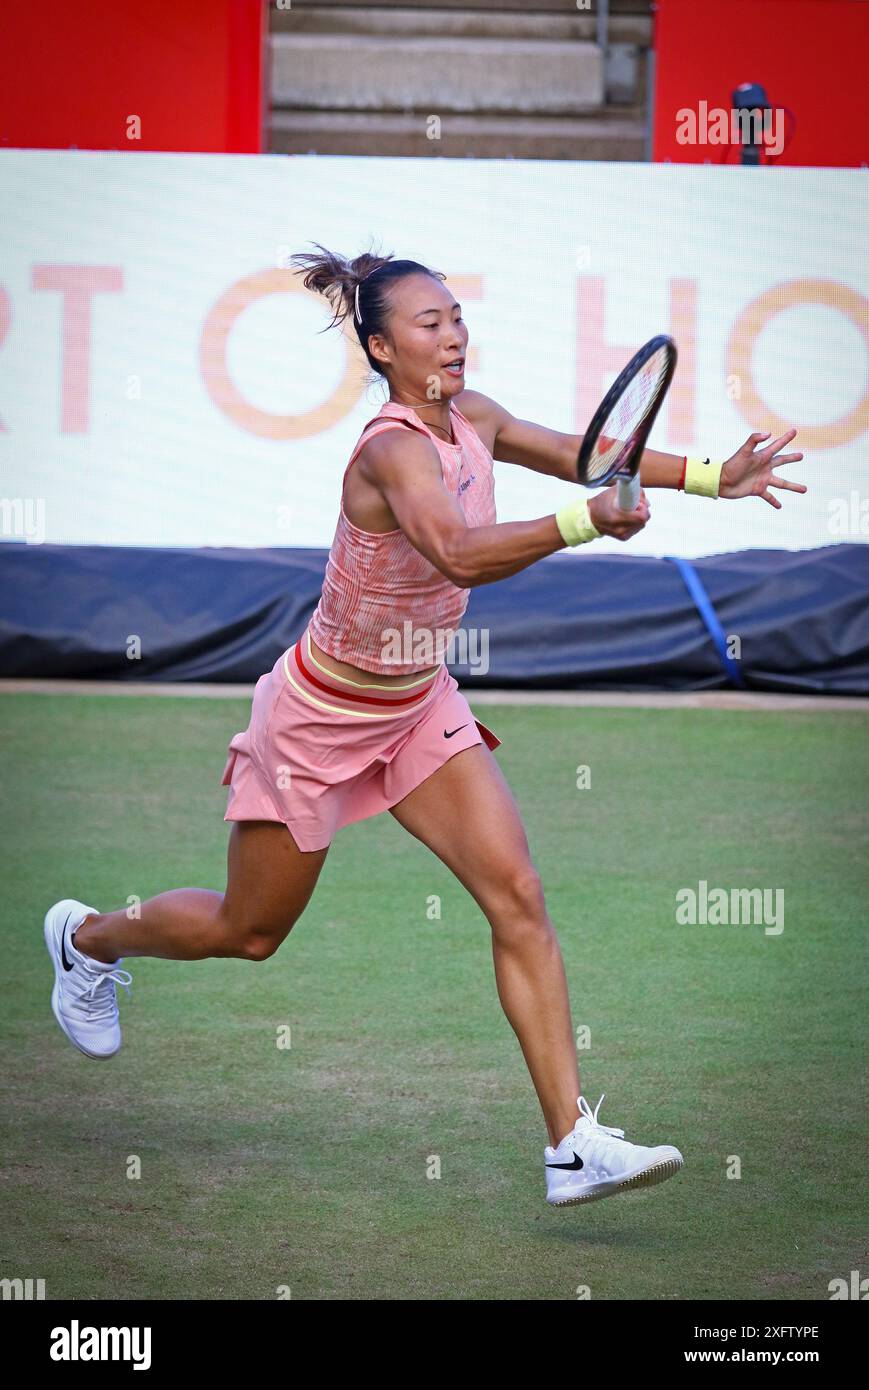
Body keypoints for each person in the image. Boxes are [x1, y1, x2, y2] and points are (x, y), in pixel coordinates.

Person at [44, 246, 805, 1207]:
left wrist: (708, 472)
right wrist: (581, 525)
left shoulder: (474, 418)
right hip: (320, 716)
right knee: (250, 931)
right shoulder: (389, 449)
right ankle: (91, 942)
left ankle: (571, 1142)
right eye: (427, 323)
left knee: (517, 894)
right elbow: (454, 553)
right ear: (379, 347)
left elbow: (584, 454)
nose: (452, 335)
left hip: (416, 706)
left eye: (455, 316)